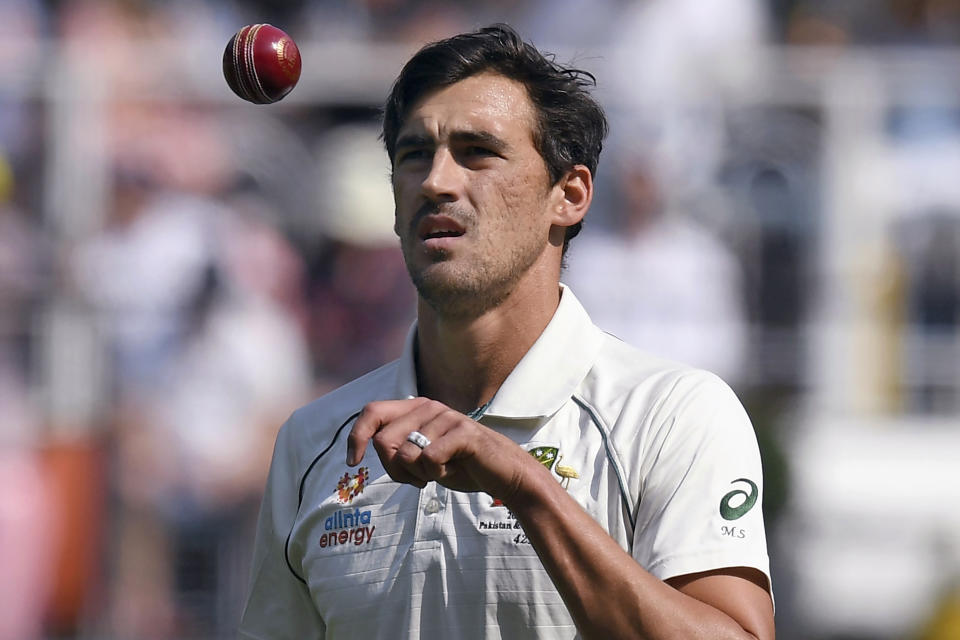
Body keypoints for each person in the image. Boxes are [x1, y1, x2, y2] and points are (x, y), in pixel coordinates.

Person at [240, 24, 774, 639]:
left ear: (569, 195)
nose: (437, 181)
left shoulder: (672, 414)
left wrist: (523, 483)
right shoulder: (313, 443)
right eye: (415, 154)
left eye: (477, 152)